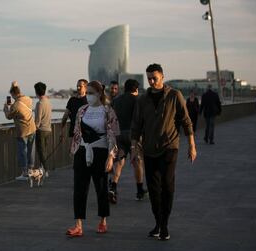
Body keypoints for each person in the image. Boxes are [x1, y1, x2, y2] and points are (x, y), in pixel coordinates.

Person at [131, 64, 197, 240]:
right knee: (153, 189)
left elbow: (186, 120)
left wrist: (192, 145)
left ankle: (165, 225)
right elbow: (136, 126)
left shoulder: (174, 96)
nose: (152, 81)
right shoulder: (142, 100)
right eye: (149, 78)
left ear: (162, 77)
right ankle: (158, 223)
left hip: (170, 147)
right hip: (149, 149)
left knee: (167, 185)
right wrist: (133, 147)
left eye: (155, 78)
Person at [66, 81, 120, 237]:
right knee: (79, 189)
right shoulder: (82, 110)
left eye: (91, 92)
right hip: (83, 151)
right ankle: (78, 225)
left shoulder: (108, 111)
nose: (88, 95)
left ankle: (103, 220)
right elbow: (77, 132)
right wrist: (74, 151)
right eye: (87, 92)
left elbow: (113, 135)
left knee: (101, 187)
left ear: (99, 94)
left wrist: (111, 156)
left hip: (101, 152)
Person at [109, 79, 147, 204]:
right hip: (133, 136)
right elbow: (141, 119)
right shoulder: (138, 100)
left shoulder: (116, 100)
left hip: (119, 135)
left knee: (119, 163)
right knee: (137, 162)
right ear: (135, 89)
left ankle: (113, 188)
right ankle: (140, 191)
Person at [3, 81, 36, 181]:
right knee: (31, 151)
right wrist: (14, 86)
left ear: (13, 94)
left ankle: (24, 173)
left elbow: (9, 116)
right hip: (32, 128)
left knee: (22, 151)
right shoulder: (28, 99)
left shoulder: (15, 106)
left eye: (12, 95)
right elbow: (17, 92)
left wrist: (5, 108)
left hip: (22, 131)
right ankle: (30, 171)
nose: (12, 97)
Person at [34, 82, 52, 176]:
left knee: (41, 151)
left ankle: (45, 170)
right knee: (44, 150)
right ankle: (43, 170)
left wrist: (33, 128)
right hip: (48, 129)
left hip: (41, 130)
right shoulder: (48, 102)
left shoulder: (39, 103)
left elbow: (37, 120)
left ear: (36, 91)